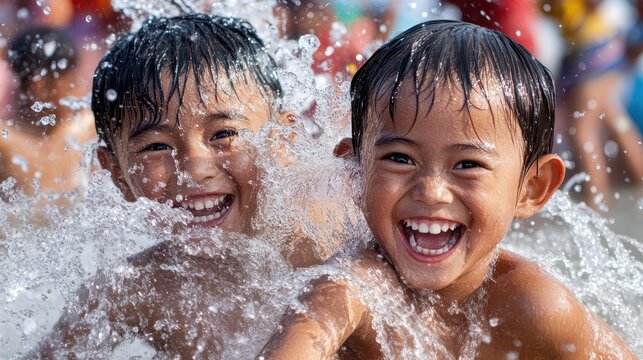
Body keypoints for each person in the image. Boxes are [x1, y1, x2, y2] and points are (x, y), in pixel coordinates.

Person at [259, 20, 636, 359]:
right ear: (354, 172)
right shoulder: (346, 289)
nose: (432, 192)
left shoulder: (534, 306)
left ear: (531, 189)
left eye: (468, 165)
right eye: (400, 158)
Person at [37, 14, 324, 358]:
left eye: (223, 134)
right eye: (157, 147)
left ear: (284, 140)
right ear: (116, 174)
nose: (194, 169)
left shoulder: (329, 246)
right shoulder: (138, 289)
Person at [0, 26, 96, 196]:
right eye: (71, 80)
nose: (78, 87)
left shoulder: (88, 128)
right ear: (40, 85)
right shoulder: (5, 142)